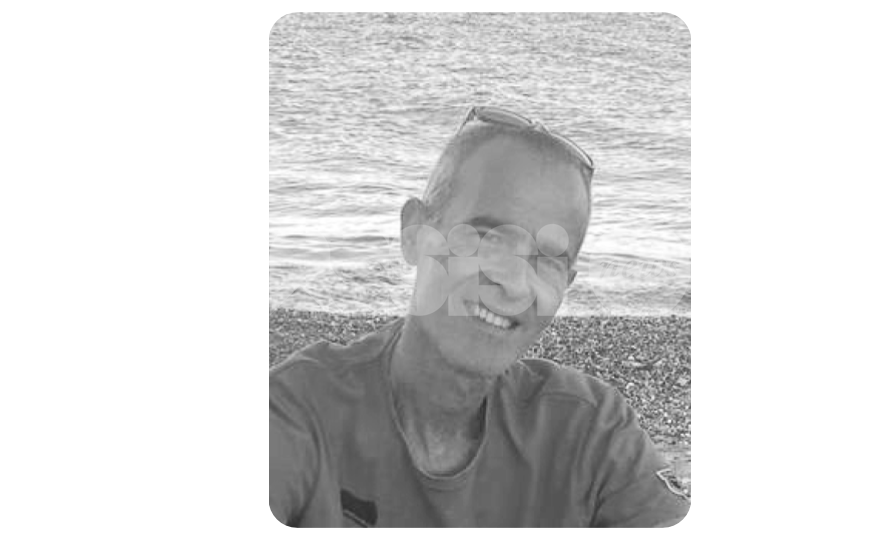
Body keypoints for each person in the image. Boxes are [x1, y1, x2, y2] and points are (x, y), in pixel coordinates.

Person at [269, 106, 690, 527]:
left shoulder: (590, 434)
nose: (515, 284)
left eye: (547, 260)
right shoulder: (299, 412)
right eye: (487, 237)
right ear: (415, 233)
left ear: (568, 282)